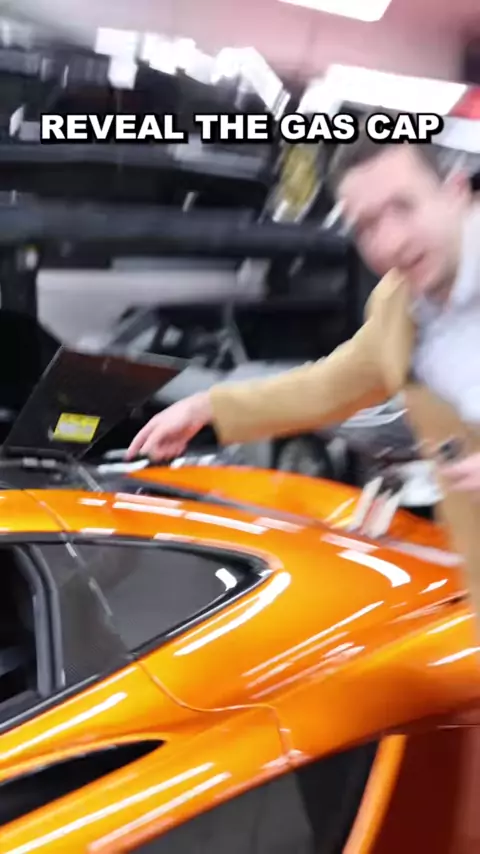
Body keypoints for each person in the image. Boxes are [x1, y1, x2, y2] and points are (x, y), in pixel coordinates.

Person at [127, 127, 480, 622]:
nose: (391, 241)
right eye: (367, 225)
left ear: (456, 192)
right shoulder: (398, 305)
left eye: (404, 207)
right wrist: (209, 407)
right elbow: (331, 386)